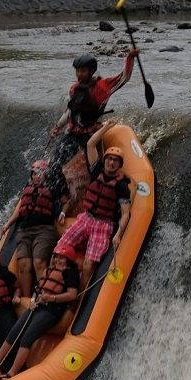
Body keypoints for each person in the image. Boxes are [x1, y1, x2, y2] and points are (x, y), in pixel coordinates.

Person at [46, 50, 139, 196]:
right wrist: (57, 127)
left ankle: (100, 197)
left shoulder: (103, 86)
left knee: (95, 172)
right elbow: (69, 112)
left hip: (90, 137)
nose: (79, 74)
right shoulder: (74, 89)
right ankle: (55, 196)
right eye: (77, 71)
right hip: (71, 135)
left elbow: (124, 77)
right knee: (55, 165)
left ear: (91, 71)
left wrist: (130, 57)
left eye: (82, 71)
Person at [0, 244, 79, 378]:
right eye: (56, 257)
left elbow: (72, 294)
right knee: (14, 333)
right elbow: (38, 289)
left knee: (27, 337)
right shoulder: (49, 271)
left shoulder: (70, 273)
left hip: (51, 310)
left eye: (62, 258)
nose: (58, 261)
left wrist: (52, 297)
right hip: (37, 306)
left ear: (68, 260)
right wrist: (33, 301)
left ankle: (12, 372)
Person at [56, 119, 131, 289]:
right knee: (59, 249)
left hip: (103, 225)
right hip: (86, 218)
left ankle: (79, 297)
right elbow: (91, 144)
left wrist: (118, 234)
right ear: (104, 161)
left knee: (88, 265)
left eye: (115, 161)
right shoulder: (97, 169)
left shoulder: (121, 185)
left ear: (119, 165)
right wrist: (107, 127)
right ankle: (58, 285)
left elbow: (125, 213)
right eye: (109, 159)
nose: (111, 162)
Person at [0, 160, 70, 298]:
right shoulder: (28, 187)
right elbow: (20, 210)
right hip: (25, 230)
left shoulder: (53, 187)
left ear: (45, 175)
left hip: (44, 229)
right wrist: (7, 224)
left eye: (39, 174)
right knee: (24, 264)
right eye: (34, 174)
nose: (36, 177)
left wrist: (63, 213)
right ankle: (27, 299)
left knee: (39, 261)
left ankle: (43, 294)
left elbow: (66, 201)